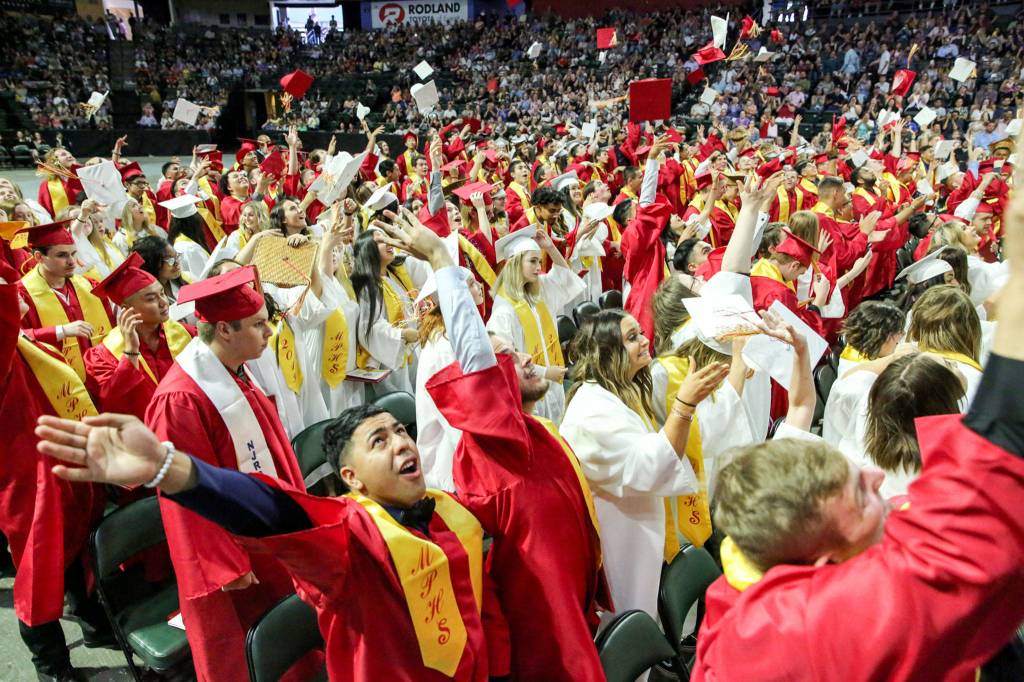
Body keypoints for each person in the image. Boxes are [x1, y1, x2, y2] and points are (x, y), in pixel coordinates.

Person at [689, 140, 1024, 680]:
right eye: (858, 493)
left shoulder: (758, 564)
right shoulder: (807, 634)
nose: (873, 476)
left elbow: (798, 405)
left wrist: (751, 213)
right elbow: (980, 533)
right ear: (826, 565)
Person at [35, 407, 502, 682]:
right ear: (351, 478)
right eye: (379, 441)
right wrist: (172, 470)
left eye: (401, 431)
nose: (402, 444)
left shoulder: (446, 511)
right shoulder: (348, 537)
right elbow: (275, 512)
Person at [143, 266, 310, 682]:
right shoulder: (181, 398)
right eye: (258, 324)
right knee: (243, 651)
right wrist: (224, 565)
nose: (269, 331)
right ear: (224, 329)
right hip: (235, 555)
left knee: (293, 643)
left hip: (266, 531)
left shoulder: (236, 367)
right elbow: (182, 491)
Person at [560, 308, 729, 619]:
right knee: (628, 620)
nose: (644, 340)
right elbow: (651, 467)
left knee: (643, 610)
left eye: (640, 332)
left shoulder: (623, 391)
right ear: (607, 352)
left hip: (634, 526)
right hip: (617, 539)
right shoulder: (592, 409)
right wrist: (684, 405)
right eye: (632, 337)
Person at [0, 259, 109, 681]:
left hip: (59, 466)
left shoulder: (25, 345)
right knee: (37, 568)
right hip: (26, 484)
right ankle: (51, 664)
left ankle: (91, 620)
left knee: (74, 548)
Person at [487, 226, 584, 423]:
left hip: (553, 382)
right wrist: (545, 372)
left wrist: (550, 248)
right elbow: (506, 360)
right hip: (531, 388)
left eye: (539, 261)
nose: (539, 267)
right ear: (514, 263)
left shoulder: (537, 292)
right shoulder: (504, 310)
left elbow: (563, 277)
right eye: (532, 261)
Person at [83, 253, 194, 417]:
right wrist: (130, 353)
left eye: (162, 293)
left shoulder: (188, 334)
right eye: (151, 298)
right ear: (127, 309)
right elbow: (109, 404)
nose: (164, 303)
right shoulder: (102, 356)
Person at [414, 267, 485, 492]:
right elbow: (455, 415)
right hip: (448, 458)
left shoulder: (451, 335)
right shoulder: (444, 346)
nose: (480, 287)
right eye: (472, 284)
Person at [18, 220, 115, 380]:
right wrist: (60, 331)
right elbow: (17, 338)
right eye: (62, 255)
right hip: (57, 384)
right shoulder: (21, 295)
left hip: (101, 376)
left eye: (73, 253)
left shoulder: (89, 286)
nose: (72, 261)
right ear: (39, 257)